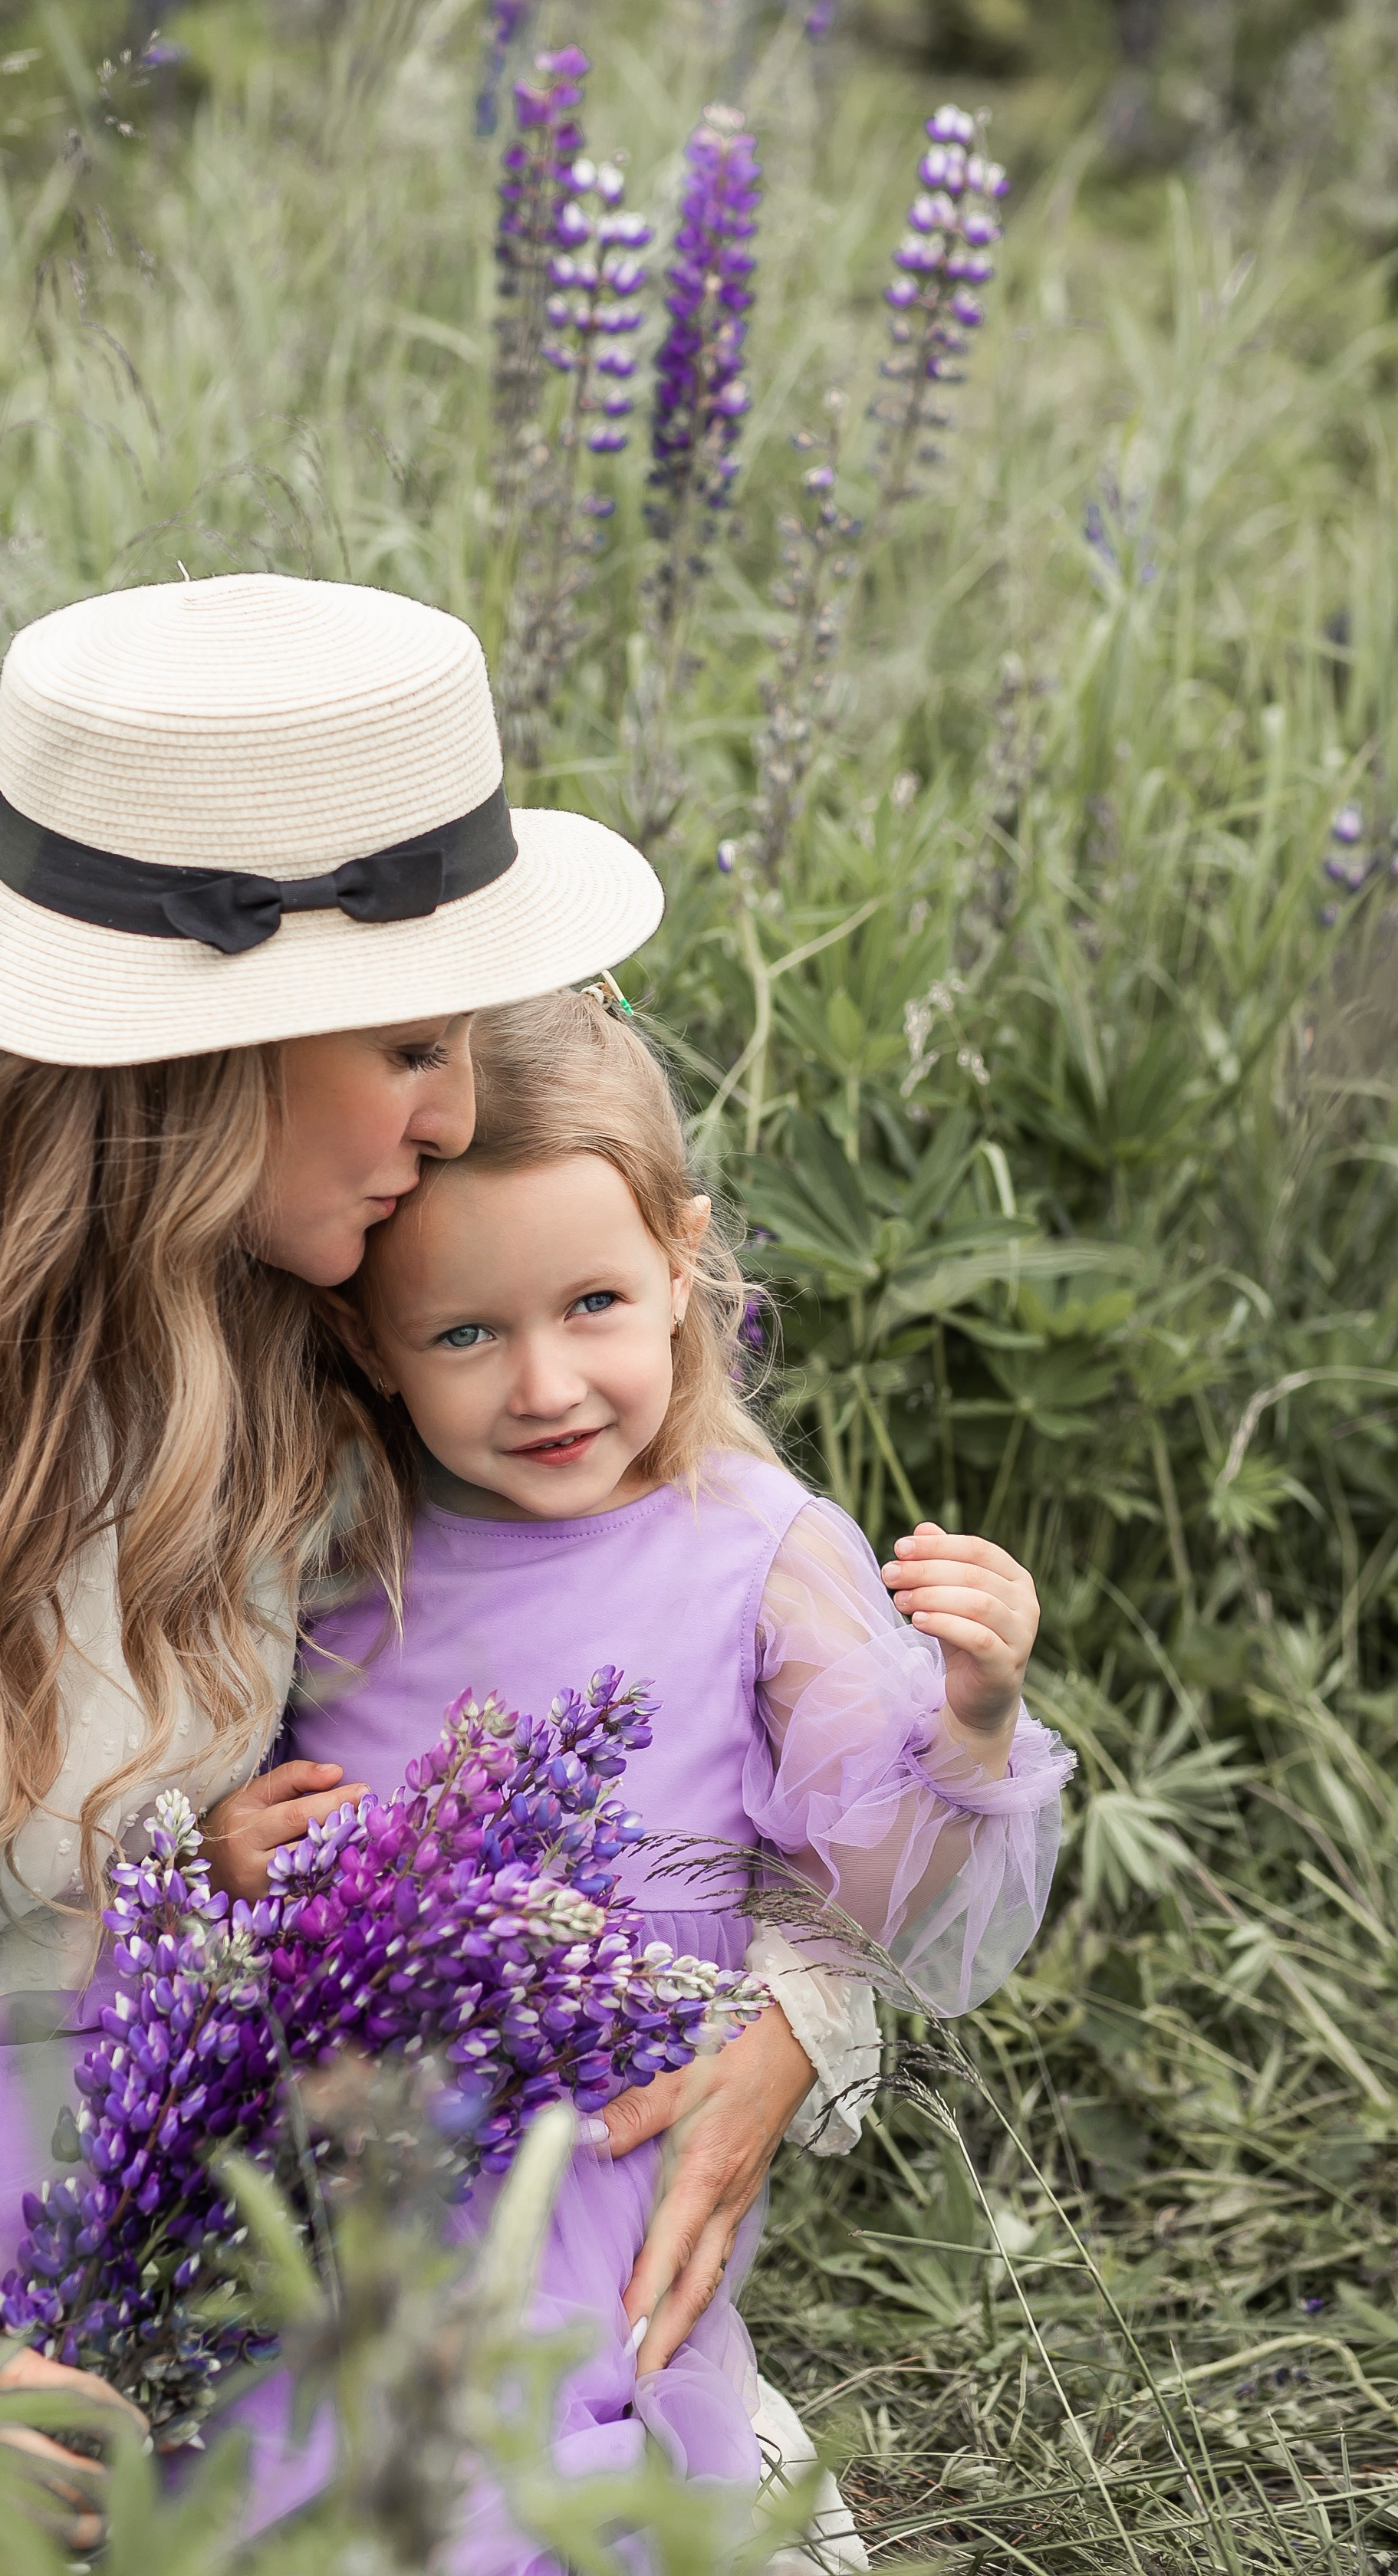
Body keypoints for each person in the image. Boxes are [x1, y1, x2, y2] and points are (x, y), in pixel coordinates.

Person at [0, 572, 673, 2474]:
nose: (453, 1115)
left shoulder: (280, 1253)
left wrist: (787, 2012)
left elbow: (655, 1577)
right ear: (194, 1048)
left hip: (122, 2159)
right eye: (409, 1047)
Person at [248, 987, 1073, 2554]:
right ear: (369, 1333)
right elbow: (241, 1775)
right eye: (467, 1333)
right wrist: (231, 1841)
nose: (546, 1386)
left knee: (494, 2457)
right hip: (326, 2084)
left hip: (601, 2129)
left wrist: (970, 1722)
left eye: (596, 1306)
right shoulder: (341, 1537)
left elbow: (868, 1898)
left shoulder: (757, 1548)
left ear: (682, 1263)